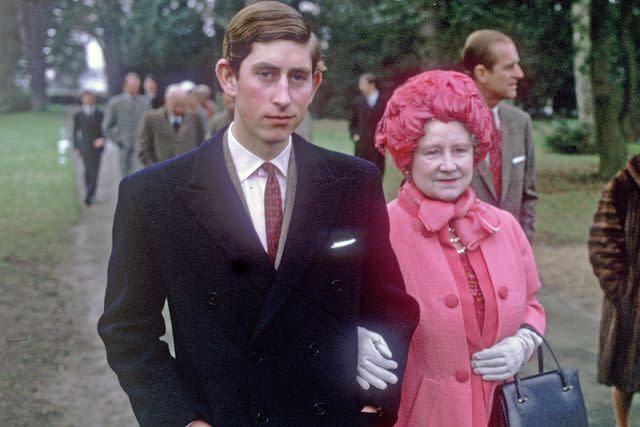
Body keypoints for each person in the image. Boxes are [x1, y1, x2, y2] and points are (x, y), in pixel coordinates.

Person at [97, 2, 418, 426]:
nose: (283, 97)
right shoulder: (154, 195)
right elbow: (128, 330)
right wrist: (183, 421)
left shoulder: (353, 182)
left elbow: (389, 307)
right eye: (265, 74)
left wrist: (372, 410)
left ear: (315, 82)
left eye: (298, 77)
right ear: (228, 77)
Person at [375, 70, 546, 426]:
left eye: (460, 150)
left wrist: (524, 343)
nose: (449, 166)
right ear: (407, 158)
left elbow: (532, 306)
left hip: (502, 413)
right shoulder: (380, 231)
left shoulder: (505, 226)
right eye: (433, 152)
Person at [462, 30, 537, 241]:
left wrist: (523, 248)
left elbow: (528, 197)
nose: (519, 74)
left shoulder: (520, 122)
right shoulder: (449, 126)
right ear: (482, 73)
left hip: (511, 257)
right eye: (509, 67)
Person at [588, 155, 640, 427]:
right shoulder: (623, 184)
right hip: (631, 297)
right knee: (625, 372)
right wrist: (621, 290)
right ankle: (622, 424)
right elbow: (603, 241)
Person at [138, 84, 204, 166]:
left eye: (182, 105)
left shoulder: (194, 117)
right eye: (176, 105)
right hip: (161, 172)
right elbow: (144, 149)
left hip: (188, 171)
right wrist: (153, 169)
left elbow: (201, 144)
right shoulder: (151, 119)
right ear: (167, 100)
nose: (179, 109)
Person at [102, 72, 149, 177]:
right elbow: (106, 127)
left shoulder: (145, 103)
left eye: (136, 86)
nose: (134, 89)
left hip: (140, 148)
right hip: (124, 148)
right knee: (126, 177)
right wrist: (119, 140)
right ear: (125, 86)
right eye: (132, 86)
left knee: (140, 176)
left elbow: (149, 125)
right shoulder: (115, 103)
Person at [349, 73, 388, 176]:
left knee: (377, 172)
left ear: (371, 84)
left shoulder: (385, 102)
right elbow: (353, 123)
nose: (360, 87)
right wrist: (355, 135)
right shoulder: (358, 102)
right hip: (362, 145)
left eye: (362, 84)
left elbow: (388, 122)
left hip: (377, 146)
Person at [72, 90, 105, 205]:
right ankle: (88, 192)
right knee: (87, 169)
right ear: (82, 99)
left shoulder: (100, 113)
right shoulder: (78, 115)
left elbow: (105, 129)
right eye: (86, 98)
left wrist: (102, 139)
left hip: (97, 147)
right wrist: (76, 147)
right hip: (84, 146)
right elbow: (75, 132)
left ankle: (92, 193)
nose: (89, 100)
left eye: (91, 98)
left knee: (95, 171)